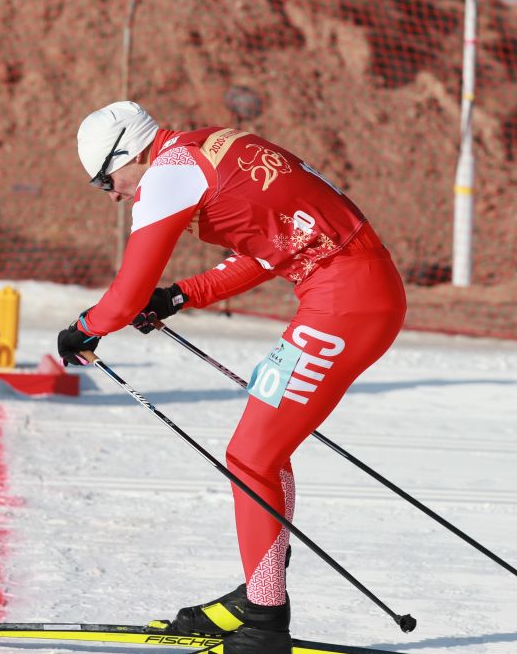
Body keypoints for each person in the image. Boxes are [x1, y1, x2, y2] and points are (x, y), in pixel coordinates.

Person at [57, 101, 406, 654]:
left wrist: (85, 328)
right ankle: (260, 592)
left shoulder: (167, 177)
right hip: (351, 289)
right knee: (263, 452)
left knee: (251, 456)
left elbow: (123, 295)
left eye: (106, 181)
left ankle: (266, 620)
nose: (114, 194)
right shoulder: (205, 147)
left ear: (129, 153)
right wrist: (179, 296)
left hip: (346, 300)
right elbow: (270, 251)